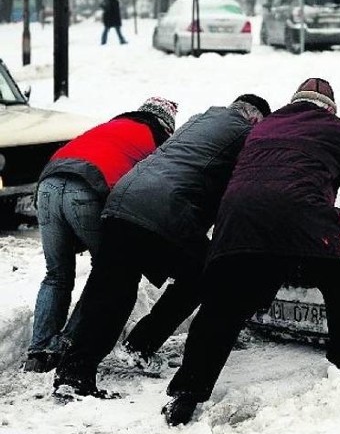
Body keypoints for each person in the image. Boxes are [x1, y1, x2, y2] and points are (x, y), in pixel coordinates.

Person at [161, 78, 340, 426]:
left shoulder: (263, 128)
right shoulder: (335, 130)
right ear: (330, 109)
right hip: (308, 219)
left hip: (240, 222)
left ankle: (187, 394)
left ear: (293, 102)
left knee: (221, 309)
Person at [53, 94, 272, 399]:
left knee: (112, 291)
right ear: (256, 118)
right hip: (162, 210)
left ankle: (73, 374)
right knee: (204, 273)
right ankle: (141, 345)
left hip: (122, 200)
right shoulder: (246, 133)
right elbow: (240, 188)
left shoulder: (199, 121)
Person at [23, 97, 178, 373]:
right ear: (166, 125)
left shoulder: (111, 125)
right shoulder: (158, 141)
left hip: (47, 184)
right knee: (106, 274)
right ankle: (70, 343)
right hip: (88, 188)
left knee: (56, 274)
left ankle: (40, 351)